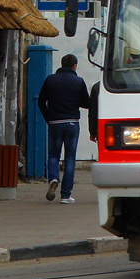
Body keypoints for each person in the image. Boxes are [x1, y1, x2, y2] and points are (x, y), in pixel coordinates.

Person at [37, 53, 91, 204]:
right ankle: (66, 195)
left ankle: (53, 178)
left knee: (53, 155)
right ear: (74, 66)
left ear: (61, 64)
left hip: (54, 122)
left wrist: (48, 118)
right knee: (70, 159)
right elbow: (86, 103)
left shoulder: (50, 80)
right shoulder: (78, 81)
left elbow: (41, 101)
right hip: (72, 123)